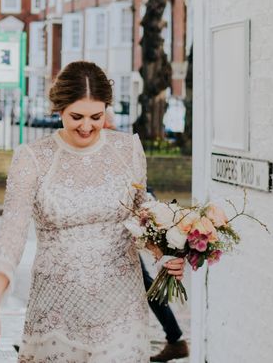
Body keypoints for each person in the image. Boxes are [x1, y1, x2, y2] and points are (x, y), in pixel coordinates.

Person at [0, 61, 184, 363]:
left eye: (96, 116)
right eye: (76, 117)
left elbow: (142, 222)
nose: (86, 126)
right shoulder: (32, 159)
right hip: (56, 311)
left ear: (107, 108)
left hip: (121, 311)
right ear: (59, 109)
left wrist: (164, 253)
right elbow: (10, 238)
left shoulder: (128, 151)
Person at [103, 110, 189, 361]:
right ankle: (175, 338)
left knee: (145, 285)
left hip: (122, 241)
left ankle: (174, 338)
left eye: (106, 123)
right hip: (109, 241)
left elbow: (144, 194)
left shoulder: (123, 153)